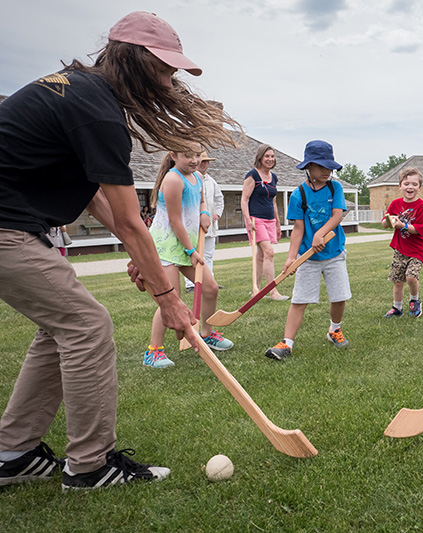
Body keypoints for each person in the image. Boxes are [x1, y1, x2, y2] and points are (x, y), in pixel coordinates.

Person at [0, 11, 240, 490]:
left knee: (63, 326)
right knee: (87, 324)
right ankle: (89, 467)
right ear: (134, 60)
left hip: (15, 223)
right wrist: (168, 299)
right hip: (7, 228)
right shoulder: (96, 109)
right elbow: (131, 219)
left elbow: (92, 194)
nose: (170, 82)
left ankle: (13, 452)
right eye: (165, 70)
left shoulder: (78, 92)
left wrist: (139, 257)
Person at [145, 149, 234, 368]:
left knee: (210, 288)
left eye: (197, 155)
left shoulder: (197, 177)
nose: (195, 160)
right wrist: (191, 251)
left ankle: (207, 333)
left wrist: (204, 213)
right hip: (167, 246)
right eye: (188, 155)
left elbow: (202, 201)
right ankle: (153, 351)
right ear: (174, 155)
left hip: (187, 245)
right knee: (171, 299)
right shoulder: (173, 179)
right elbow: (175, 221)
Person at [264, 140, 351, 361]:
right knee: (299, 300)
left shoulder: (335, 188)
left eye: (329, 166)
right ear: (308, 167)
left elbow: (337, 215)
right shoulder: (299, 194)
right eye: (321, 166)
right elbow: (299, 228)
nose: (326, 171)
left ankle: (335, 330)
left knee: (339, 297)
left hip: (334, 254)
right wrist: (292, 257)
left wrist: (320, 234)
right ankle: (287, 343)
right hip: (308, 258)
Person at [241, 144, 288, 300]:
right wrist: (248, 220)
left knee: (261, 256)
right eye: (267, 156)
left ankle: (257, 290)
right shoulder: (252, 176)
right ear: (260, 157)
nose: (270, 159)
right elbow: (244, 199)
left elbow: (274, 202)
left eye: (272, 156)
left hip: (270, 220)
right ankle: (272, 291)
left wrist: (278, 223)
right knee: (269, 252)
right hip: (256, 219)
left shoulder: (273, 177)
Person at [381, 168, 423, 318]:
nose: (410, 187)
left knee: (411, 277)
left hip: (417, 250)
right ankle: (397, 308)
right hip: (400, 249)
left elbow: (419, 229)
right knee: (398, 280)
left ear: (419, 187)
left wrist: (403, 225)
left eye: (414, 184)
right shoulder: (395, 204)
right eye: (406, 183)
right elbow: (384, 223)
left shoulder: (421, 207)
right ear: (400, 186)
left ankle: (414, 301)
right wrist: (389, 221)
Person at [185, 151, 225, 293]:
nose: (204, 164)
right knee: (193, 254)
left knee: (208, 255)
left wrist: (217, 214)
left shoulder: (211, 181)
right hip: (193, 226)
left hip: (210, 226)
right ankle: (191, 284)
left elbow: (219, 199)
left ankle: (209, 281)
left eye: (206, 162)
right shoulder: (189, 179)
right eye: (202, 161)